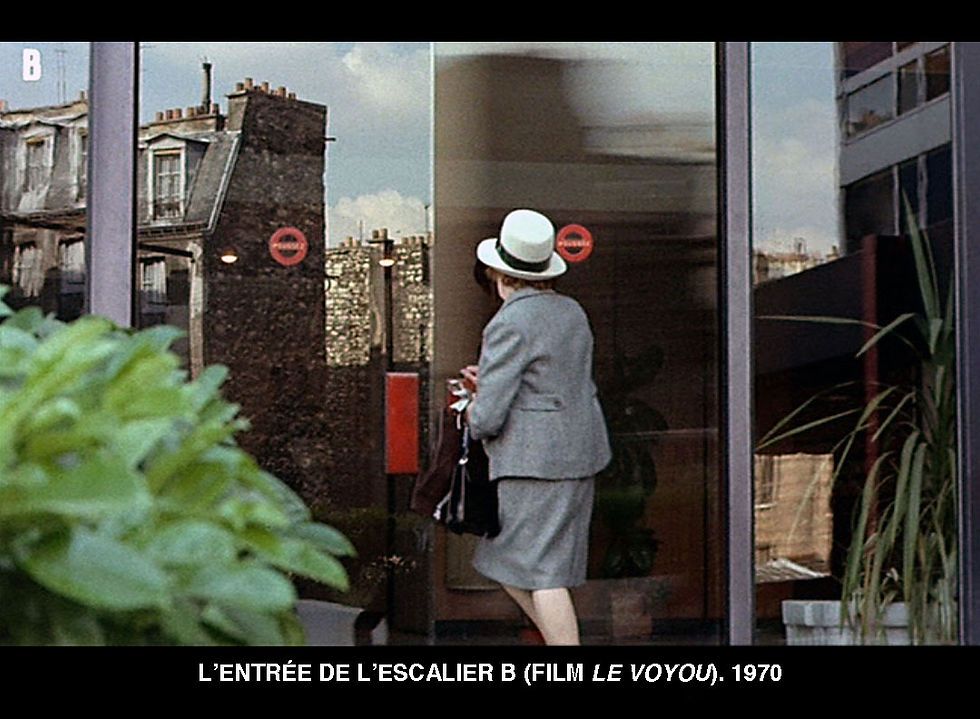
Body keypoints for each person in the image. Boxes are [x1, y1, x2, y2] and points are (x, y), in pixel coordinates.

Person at [460, 208, 611, 645]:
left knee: (541, 574)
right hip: (578, 453)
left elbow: (488, 418)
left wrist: (473, 406)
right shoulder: (571, 312)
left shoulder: (509, 321)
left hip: (534, 463)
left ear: (497, 271)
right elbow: (552, 379)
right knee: (524, 566)